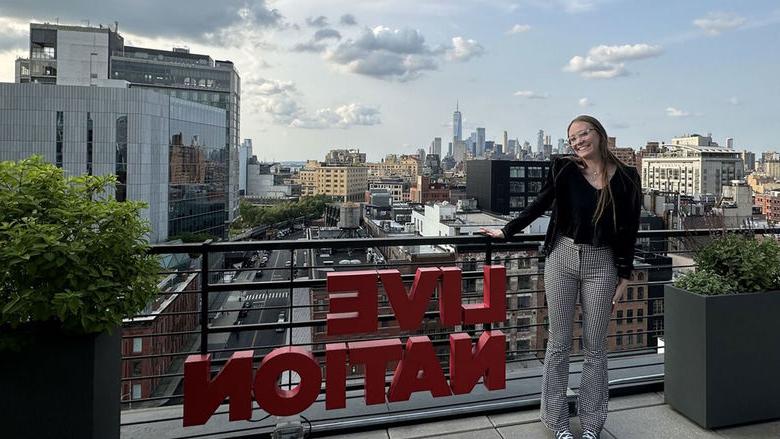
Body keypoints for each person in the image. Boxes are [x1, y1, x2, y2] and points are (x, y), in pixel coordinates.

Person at [481, 115, 641, 439]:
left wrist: (624, 275)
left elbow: (628, 230)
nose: (578, 142)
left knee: (596, 346)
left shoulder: (626, 178)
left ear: (599, 134)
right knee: (558, 342)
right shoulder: (565, 170)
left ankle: (593, 423)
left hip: (602, 263)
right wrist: (507, 230)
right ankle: (557, 422)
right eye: (573, 139)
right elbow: (539, 204)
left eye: (583, 134)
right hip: (562, 258)